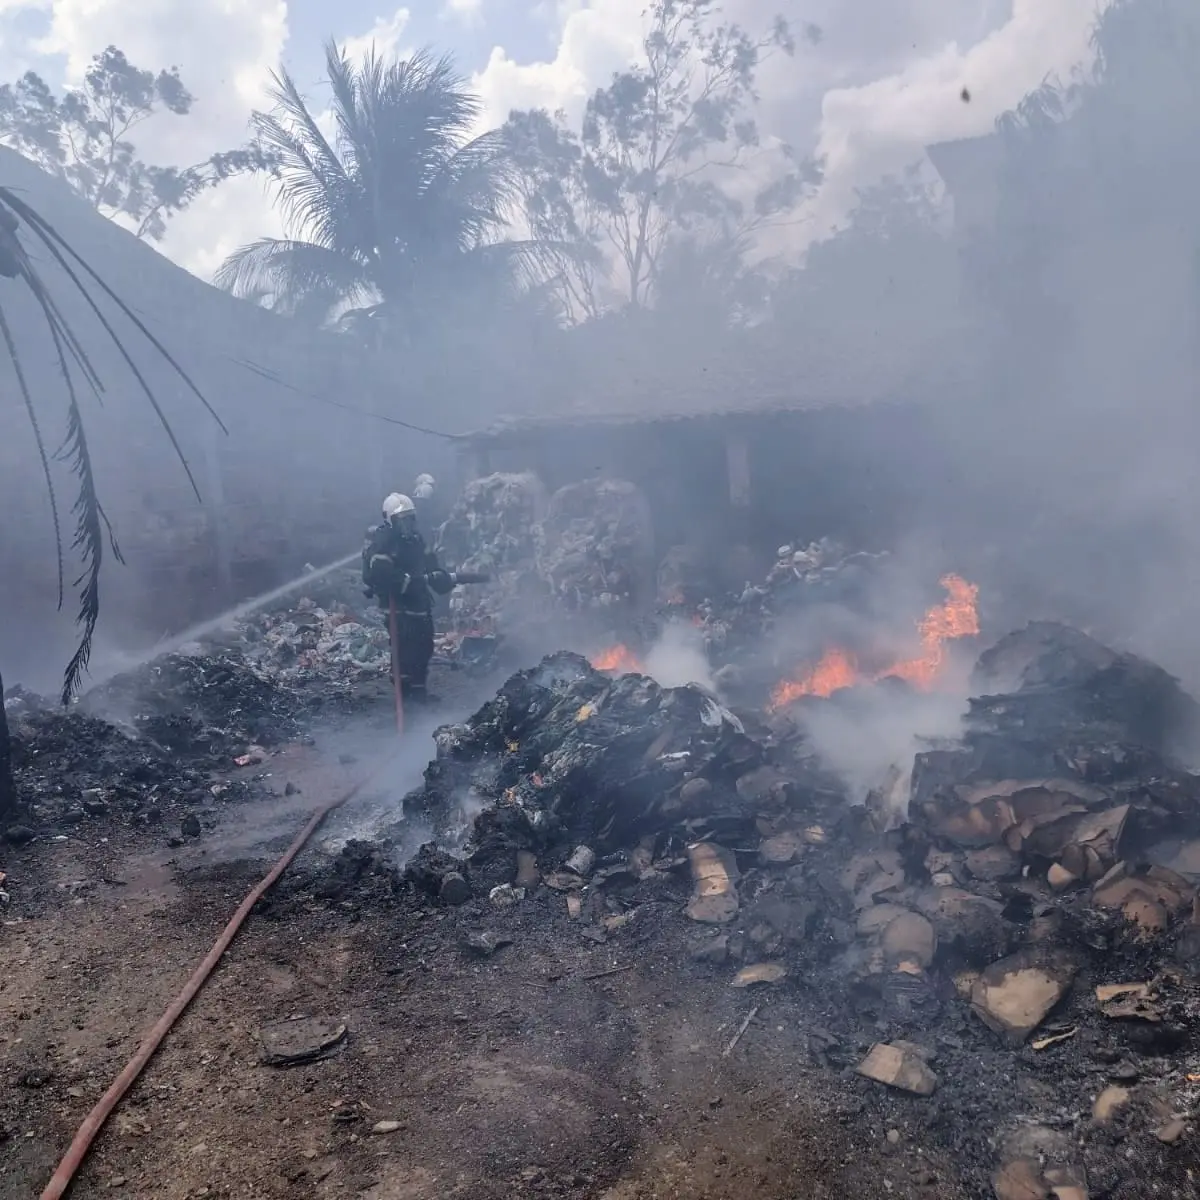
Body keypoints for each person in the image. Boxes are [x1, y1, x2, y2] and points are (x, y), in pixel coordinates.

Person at [362, 493, 455, 704]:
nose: (407, 524)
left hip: (419, 602)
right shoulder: (384, 542)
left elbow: (431, 563)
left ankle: (419, 691)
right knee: (404, 648)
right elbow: (381, 574)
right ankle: (404, 694)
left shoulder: (417, 539)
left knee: (424, 646)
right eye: (401, 520)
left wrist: (439, 576)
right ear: (389, 520)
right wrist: (409, 581)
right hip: (397, 606)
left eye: (410, 518)